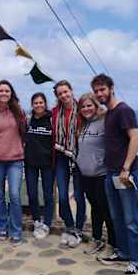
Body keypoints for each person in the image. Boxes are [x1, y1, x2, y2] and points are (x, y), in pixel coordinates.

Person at [92, 74, 138, 275]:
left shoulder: (124, 110)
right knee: (117, 217)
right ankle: (123, 252)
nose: (99, 94)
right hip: (110, 172)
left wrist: (126, 168)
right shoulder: (110, 113)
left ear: (111, 88)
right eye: (96, 91)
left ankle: (137, 261)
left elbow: (135, 138)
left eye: (102, 89)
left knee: (131, 219)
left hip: (124, 173)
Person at [75, 93, 115, 255]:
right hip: (86, 175)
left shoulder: (105, 122)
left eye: (89, 105)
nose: (86, 109)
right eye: (83, 106)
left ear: (96, 105)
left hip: (101, 174)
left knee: (106, 210)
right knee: (95, 209)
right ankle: (96, 239)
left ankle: (113, 244)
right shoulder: (83, 125)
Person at [0, 80, 26, 246]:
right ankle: (2, 228)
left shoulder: (19, 111)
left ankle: (16, 230)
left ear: (11, 94)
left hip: (15, 160)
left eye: (7, 91)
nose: (4, 93)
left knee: (15, 196)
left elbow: (24, 133)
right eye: (1, 91)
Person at [52, 80, 86, 248]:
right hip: (60, 156)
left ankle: (79, 228)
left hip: (80, 157)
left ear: (71, 90)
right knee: (63, 196)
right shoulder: (55, 112)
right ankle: (70, 226)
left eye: (66, 91)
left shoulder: (83, 109)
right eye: (60, 93)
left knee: (79, 196)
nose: (63, 95)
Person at [24, 93, 54, 239]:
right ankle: (36, 220)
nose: (38, 105)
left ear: (45, 103)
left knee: (48, 195)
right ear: (32, 104)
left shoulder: (51, 119)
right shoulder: (28, 120)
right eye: (36, 103)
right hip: (30, 163)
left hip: (48, 163)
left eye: (41, 102)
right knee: (32, 193)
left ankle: (47, 223)